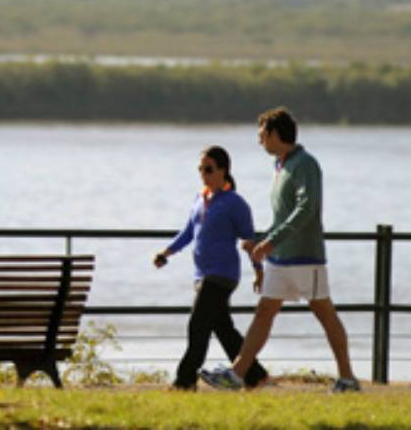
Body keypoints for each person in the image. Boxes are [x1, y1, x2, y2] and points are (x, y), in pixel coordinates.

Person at [200, 107, 361, 393]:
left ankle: (347, 378)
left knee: (325, 313)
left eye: (261, 134)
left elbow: (306, 209)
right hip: (279, 258)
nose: (259, 140)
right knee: (264, 312)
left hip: (304, 257)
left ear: (275, 134)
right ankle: (237, 374)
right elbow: (282, 216)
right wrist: (262, 241)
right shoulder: (281, 165)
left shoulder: (305, 164)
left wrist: (271, 241)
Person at [153, 145, 268, 390]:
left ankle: (184, 381)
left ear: (223, 171)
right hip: (201, 275)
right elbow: (187, 233)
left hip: (222, 275)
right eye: (200, 170)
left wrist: (259, 271)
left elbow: (250, 241)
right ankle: (254, 375)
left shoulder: (235, 203)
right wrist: (167, 252)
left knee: (197, 325)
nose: (203, 174)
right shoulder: (200, 199)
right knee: (223, 328)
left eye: (209, 169)